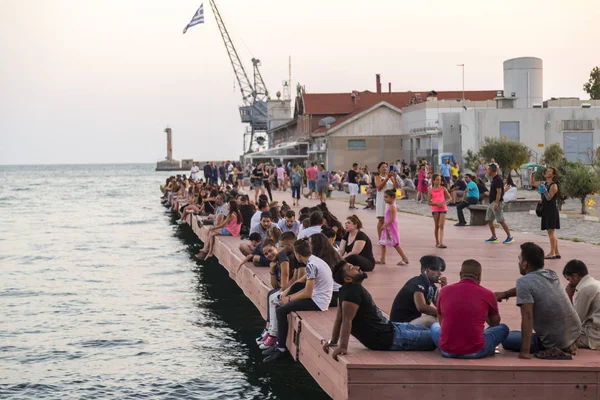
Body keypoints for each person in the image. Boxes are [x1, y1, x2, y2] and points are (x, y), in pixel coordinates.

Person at [322, 260, 435, 360]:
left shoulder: (345, 291)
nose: (357, 267)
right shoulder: (352, 292)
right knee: (436, 338)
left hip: (391, 328)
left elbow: (338, 319)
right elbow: (346, 321)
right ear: (348, 279)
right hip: (388, 339)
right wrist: (342, 347)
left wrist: (333, 341)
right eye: (352, 268)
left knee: (430, 327)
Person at [497, 242, 581, 359]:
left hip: (555, 341)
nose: (518, 263)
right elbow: (532, 288)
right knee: (516, 334)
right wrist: (505, 294)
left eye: (519, 259)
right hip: (574, 334)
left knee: (505, 337)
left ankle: (553, 346)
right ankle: (566, 345)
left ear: (525, 264)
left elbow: (527, 317)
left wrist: (524, 351)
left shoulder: (524, 282)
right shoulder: (551, 274)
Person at [263, 239, 333, 362]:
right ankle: (278, 342)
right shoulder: (315, 260)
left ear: (297, 255)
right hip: (318, 296)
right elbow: (304, 283)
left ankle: (281, 349)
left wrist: (288, 299)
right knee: (293, 290)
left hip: (318, 302)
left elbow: (307, 293)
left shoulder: (311, 265)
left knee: (281, 311)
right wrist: (286, 294)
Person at [430, 259, 509, 358]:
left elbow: (441, 323)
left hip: (446, 350)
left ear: (460, 274)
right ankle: (487, 347)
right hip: (475, 351)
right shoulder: (488, 294)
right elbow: (494, 324)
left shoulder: (444, 291)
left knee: (434, 326)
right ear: (479, 276)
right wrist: (484, 310)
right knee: (503, 328)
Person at [390, 255, 446, 327]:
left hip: (411, 323)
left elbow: (442, 306)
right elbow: (421, 307)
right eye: (436, 270)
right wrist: (442, 314)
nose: (440, 273)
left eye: (440, 270)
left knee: (438, 318)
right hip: (401, 325)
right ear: (424, 270)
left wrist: (444, 289)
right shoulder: (418, 282)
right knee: (432, 319)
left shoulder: (431, 287)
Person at [563, 260, 600, 350]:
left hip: (594, 337)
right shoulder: (596, 283)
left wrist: (568, 296)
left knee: (555, 338)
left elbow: (575, 320)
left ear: (575, 276)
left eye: (569, 279)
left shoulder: (585, 288)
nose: (569, 283)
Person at [530, 167, 561, 259]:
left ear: (553, 175)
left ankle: (552, 253)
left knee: (551, 232)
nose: (546, 172)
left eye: (549, 171)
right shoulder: (544, 183)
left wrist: (544, 190)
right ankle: (556, 252)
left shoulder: (553, 185)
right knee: (551, 231)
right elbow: (532, 183)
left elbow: (549, 198)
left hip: (551, 210)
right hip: (546, 210)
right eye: (547, 171)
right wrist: (532, 174)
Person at [378, 189, 409, 265]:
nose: (384, 199)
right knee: (383, 243)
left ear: (392, 197)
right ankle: (382, 259)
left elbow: (392, 219)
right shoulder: (389, 206)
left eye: (386, 197)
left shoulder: (392, 207)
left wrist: (385, 226)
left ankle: (405, 258)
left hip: (390, 228)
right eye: (384, 197)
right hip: (387, 228)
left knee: (395, 243)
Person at [485, 164, 514, 244]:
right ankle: (494, 237)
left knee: (501, 220)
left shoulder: (498, 179)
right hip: (491, 203)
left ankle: (510, 237)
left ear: (491, 170)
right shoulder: (493, 179)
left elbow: (499, 192)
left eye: (488, 170)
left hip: (496, 202)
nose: (487, 171)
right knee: (489, 220)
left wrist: (496, 203)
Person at [375, 162, 399, 248]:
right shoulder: (377, 177)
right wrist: (387, 178)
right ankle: (380, 238)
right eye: (382, 167)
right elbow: (379, 187)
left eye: (386, 167)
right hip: (382, 200)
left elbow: (395, 188)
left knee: (389, 220)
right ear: (379, 169)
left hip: (390, 201)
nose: (385, 169)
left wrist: (395, 178)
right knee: (381, 220)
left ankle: (389, 238)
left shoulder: (391, 177)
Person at [428, 174, 451, 249]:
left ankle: (441, 242)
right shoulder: (430, 190)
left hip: (443, 208)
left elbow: (449, 198)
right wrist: (436, 203)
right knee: (436, 226)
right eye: (437, 180)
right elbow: (429, 202)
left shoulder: (443, 188)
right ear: (434, 180)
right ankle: (437, 241)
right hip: (435, 209)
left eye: (440, 180)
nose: (439, 181)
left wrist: (444, 203)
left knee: (441, 225)